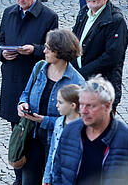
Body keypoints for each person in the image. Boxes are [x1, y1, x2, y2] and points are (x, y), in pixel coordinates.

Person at [0, 0, 59, 166]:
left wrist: (34, 50)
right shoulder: (9, 13)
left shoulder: (49, 17)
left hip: (35, 81)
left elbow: (53, 50)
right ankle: (19, 174)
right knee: (17, 133)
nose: (20, 1)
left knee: (33, 134)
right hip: (12, 79)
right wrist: (2, 54)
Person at [15, 29, 85, 185]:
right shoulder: (39, 67)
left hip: (56, 140)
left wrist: (44, 120)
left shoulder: (76, 82)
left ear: (60, 52)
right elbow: (26, 93)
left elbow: (75, 121)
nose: (44, 50)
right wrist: (22, 104)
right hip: (32, 136)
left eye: (48, 48)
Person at [51, 76, 128, 185]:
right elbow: (57, 172)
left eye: (90, 106)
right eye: (82, 104)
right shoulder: (70, 131)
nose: (83, 111)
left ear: (107, 106)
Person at [71, 0, 128, 112]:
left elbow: (111, 58)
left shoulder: (115, 20)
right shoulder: (84, 12)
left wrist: (81, 73)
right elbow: (74, 41)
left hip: (102, 89)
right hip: (81, 86)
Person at [42, 84, 81, 185]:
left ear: (73, 105)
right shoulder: (59, 122)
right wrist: (47, 177)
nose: (57, 105)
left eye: (60, 102)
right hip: (57, 176)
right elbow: (52, 151)